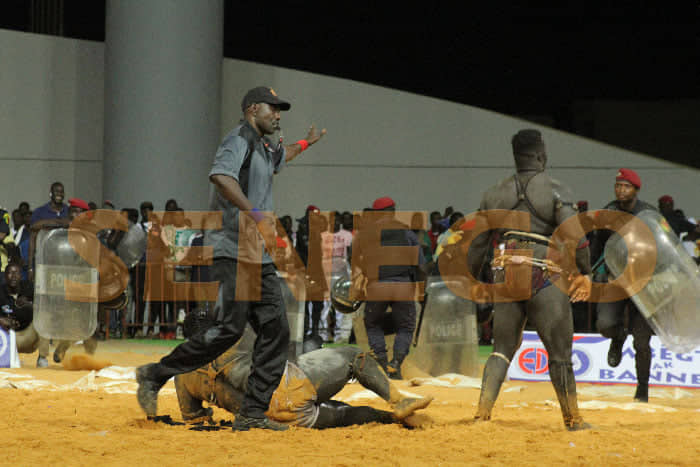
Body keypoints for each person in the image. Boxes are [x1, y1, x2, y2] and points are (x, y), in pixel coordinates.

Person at [135, 86, 326, 431]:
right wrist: (252, 211)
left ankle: (251, 413)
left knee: (276, 331)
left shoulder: (266, 146)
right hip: (232, 249)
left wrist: (306, 143)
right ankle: (154, 374)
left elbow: (284, 158)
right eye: (273, 109)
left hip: (259, 256)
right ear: (253, 109)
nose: (278, 115)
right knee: (228, 330)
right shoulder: (238, 138)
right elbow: (221, 176)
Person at [467, 129, 592, 431]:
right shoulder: (554, 189)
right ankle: (573, 420)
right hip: (543, 267)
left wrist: (472, 280)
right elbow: (575, 237)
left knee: (501, 348)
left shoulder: (494, 193)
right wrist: (586, 272)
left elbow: (476, 245)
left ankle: (482, 414)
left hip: (506, 266)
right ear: (540, 155)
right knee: (560, 353)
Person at [173, 313, 432, 430]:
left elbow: (195, 420)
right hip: (290, 386)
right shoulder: (235, 334)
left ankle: (390, 419)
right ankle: (398, 403)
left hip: (270, 419)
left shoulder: (181, 373)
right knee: (354, 356)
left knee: (342, 415)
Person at [593, 169, 657, 403]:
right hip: (616, 281)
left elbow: (663, 248)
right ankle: (618, 338)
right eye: (618, 185)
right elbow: (599, 245)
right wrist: (595, 272)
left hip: (643, 284)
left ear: (636, 190)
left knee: (642, 342)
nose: (621, 190)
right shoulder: (608, 212)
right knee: (605, 325)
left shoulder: (649, 213)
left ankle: (642, 389)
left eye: (626, 186)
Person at [352, 196, 425, 380]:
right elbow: (421, 265)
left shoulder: (365, 234)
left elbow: (355, 261)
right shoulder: (407, 233)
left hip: (377, 285)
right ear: (393, 210)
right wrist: (420, 285)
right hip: (402, 285)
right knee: (406, 327)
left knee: (373, 323)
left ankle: (382, 364)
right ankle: (396, 364)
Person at [0, 263, 50, 367]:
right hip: (8, 338)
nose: (13, 276)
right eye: (10, 273)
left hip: (28, 337)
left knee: (45, 316)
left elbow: (45, 306)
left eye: (16, 273)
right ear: (5, 276)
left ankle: (42, 358)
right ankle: (6, 358)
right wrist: (1, 319)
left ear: (21, 276)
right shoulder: (1, 291)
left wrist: (29, 305)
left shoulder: (29, 288)